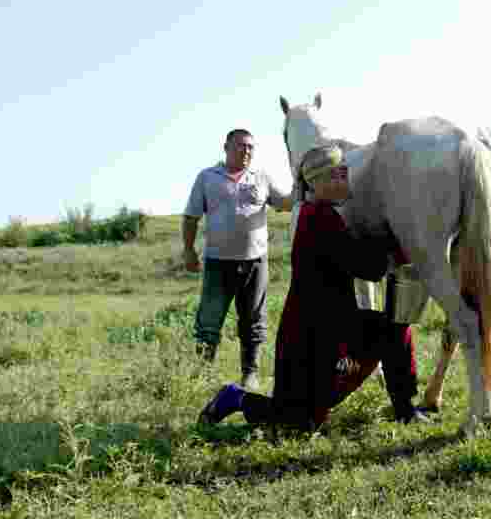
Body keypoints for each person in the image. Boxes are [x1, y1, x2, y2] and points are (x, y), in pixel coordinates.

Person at [198, 146, 431, 431]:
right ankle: (233, 397)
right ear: (318, 182)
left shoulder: (321, 214)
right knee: (300, 421)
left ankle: (405, 408)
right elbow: (367, 268)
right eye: (340, 175)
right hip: (310, 340)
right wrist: (392, 239)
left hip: (336, 325)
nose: (346, 181)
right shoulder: (320, 219)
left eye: (345, 174)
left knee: (392, 331)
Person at [183, 128, 293, 390]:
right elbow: (191, 217)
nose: (246, 151)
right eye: (241, 146)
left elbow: (285, 203)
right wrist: (188, 250)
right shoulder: (208, 177)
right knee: (209, 321)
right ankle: (203, 374)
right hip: (218, 262)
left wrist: (301, 183)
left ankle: (250, 374)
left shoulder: (261, 177)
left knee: (253, 321)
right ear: (226, 147)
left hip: (255, 261)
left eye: (250, 147)